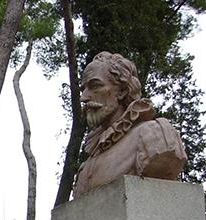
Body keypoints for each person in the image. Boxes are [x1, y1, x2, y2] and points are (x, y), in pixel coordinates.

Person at [73, 52, 186, 200]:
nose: (84, 97)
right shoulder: (89, 161)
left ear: (122, 91)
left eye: (95, 86)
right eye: (83, 89)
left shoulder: (154, 134)